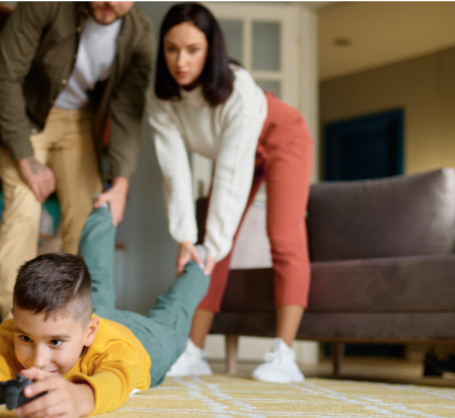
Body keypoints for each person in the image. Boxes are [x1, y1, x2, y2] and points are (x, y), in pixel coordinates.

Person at [147, 3, 313, 383]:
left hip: (281, 136)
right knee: (207, 247)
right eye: (171, 49)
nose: (180, 61)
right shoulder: (161, 98)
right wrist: (187, 239)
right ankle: (195, 350)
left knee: (283, 236)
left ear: (211, 50)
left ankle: (285, 354)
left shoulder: (237, 89)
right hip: (236, 152)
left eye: (193, 49)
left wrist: (212, 241)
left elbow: (232, 176)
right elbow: (175, 170)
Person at [0, 205, 210, 416]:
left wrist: (81, 397)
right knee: (92, 280)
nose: (37, 359)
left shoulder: (116, 352)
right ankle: (102, 210)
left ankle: (201, 264)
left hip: (145, 341)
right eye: (25, 339)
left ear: (90, 332)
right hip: (84, 316)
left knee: (173, 315)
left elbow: (117, 380)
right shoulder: (23, 327)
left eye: (55, 343)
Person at [0, 1, 154, 320]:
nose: (111, 3)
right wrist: (25, 157)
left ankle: (67, 330)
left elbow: (127, 113)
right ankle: (14, 331)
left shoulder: (139, 33)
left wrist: (120, 182)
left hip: (80, 124)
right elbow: (5, 78)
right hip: (26, 119)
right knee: (23, 214)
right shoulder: (46, 5)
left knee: (87, 221)